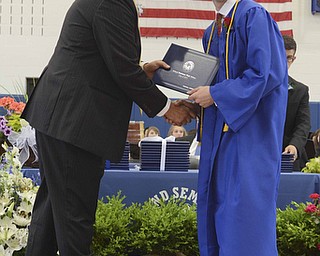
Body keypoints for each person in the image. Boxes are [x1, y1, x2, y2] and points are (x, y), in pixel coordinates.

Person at [21, 0, 195, 255]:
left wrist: (142, 70)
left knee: (49, 216)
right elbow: (123, 70)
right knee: (74, 223)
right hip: (75, 125)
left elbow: (109, 59)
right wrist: (169, 109)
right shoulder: (111, 2)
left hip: (62, 120)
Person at [185, 0, 288, 255]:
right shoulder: (213, 31)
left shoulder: (253, 16)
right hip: (217, 143)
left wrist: (215, 94)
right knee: (217, 218)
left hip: (249, 140)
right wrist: (193, 101)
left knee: (245, 222)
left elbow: (265, 75)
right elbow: (211, 83)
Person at [282, 35, 311, 171]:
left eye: (289, 58)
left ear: (293, 59)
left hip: (288, 154)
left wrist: (295, 145)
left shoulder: (301, 90)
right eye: (282, 56)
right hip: (260, 153)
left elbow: (303, 124)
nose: (285, 62)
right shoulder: (259, 87)